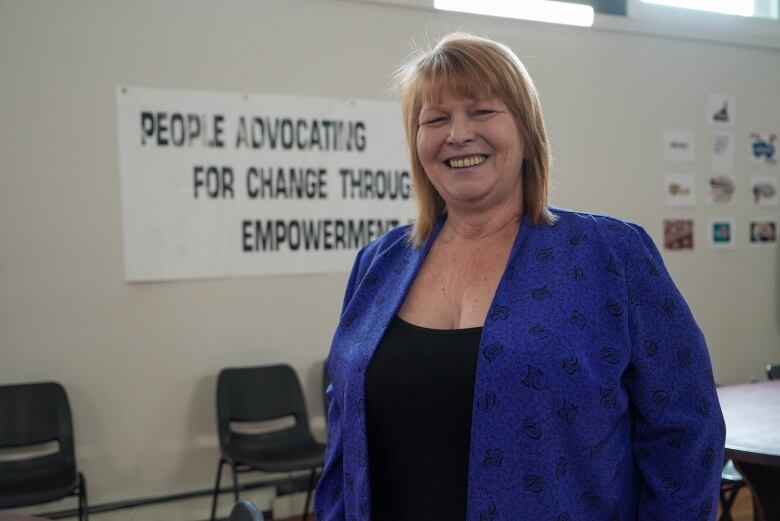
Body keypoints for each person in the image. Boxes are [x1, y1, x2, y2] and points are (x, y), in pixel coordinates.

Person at [315, 33, 725, 521]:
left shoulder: (610, 255)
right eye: (436, 119)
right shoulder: (378, 264)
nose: (458, 133)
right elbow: (344, 435)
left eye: (482, 111)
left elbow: (686, 430)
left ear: (528, 132)